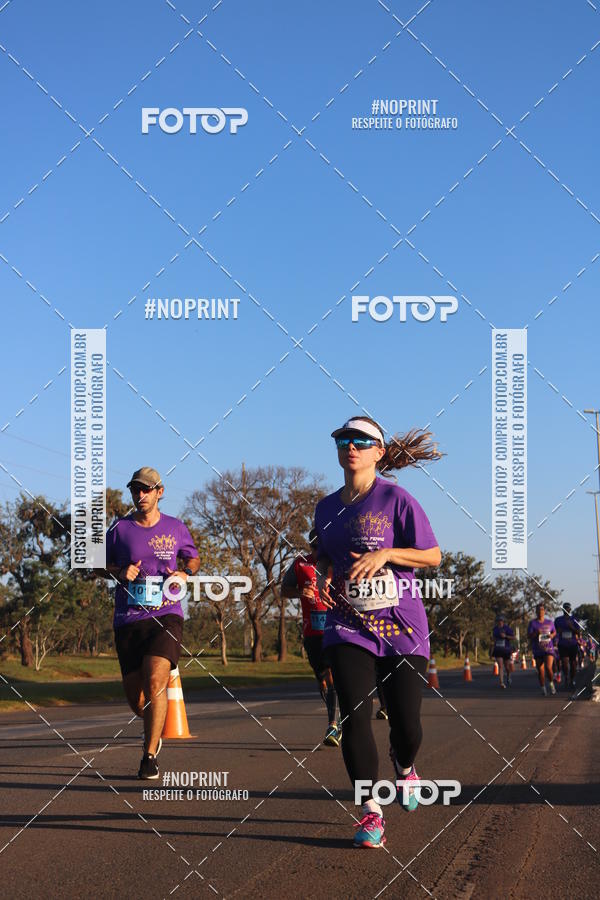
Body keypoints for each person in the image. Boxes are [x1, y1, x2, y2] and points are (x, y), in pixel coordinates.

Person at [314, 416, 442, 849]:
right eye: (344, 439)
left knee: (407, 724)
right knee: (354, 714)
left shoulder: (396, 498)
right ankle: (371, 811)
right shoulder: (326, 508)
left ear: (379, 451)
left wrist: (386, 553)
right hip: (349, 626)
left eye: (362, 441)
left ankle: (404, 767)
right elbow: (323, 555)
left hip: (401, 626)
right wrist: (320, 573)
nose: (351, 446)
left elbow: (434, 556)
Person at [103, 467, 200, 779]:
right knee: (137, 697)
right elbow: (98, 565)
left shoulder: (175, 528)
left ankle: (149, 754)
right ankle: (154, 725)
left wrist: (185, 572)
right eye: (135, 490)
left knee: (156, 681)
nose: (140, 495)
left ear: (160, 491)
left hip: (166, 615)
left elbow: (194, 559)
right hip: (128, 619)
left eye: (146, 489)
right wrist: (118, 572)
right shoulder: (119, 529)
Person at [281, 531, 341, 747]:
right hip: (312, 632)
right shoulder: (300, 564)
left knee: (331, 674)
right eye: (314, 547)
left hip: (336, 628)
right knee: (323, 680)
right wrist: (299, 592)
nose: (317, 551)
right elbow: (284, 591)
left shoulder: (338, 563)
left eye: (320, 547)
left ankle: (333, 724)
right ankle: (336, 715)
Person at [527, 604, 556, 696]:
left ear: (544, 611)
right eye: (538, 610)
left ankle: (551, 684)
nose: (540, 611)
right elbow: (529, 636)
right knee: (540, 670)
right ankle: (543, 688)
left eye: (542, 610)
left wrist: (552, 635)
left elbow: (554, 632)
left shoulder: (550, 622)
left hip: (548, 649)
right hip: (538, 649)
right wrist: (536, 633)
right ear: (536, 612)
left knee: (548, 667)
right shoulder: (532, 623)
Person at [554, 603, 580, 690]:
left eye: (568, 608)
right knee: (564, 663)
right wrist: (558, 631)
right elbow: (553, 631)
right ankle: (566, 677)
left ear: (570, 609)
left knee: (573, 664)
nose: (566, 609)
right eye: (565, 608)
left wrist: (571, 627)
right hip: (562, 644)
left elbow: (578, 632)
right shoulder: (558, 620)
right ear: (562, 609)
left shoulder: (574, 619)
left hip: (573, 644)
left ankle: (572, 680)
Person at [491, 615, 515, 688]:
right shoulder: (495, 629)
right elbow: (493, 638)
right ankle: (501, 682)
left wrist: (506, 636)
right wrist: (493, 639)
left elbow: (514, 637)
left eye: (501, 621)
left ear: (503, 622)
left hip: (506, 649)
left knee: (507, 667)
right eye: (498, 621)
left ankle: (508, 675)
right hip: (498, 649)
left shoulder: (507, 628)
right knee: (500, 666)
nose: (500, 622)